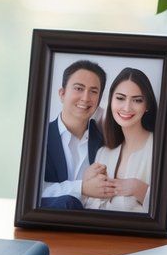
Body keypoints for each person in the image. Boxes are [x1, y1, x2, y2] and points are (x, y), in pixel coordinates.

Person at [40, 59, 114, 210]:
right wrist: (82, 188)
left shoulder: (106, 140)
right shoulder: (40, 137)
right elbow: (35, 191)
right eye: (79, 88)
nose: (86, 98)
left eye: (93, 91)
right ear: (62, 94)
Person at [84, 67, 157, 213]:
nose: (127, 107)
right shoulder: (103, 153)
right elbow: (88, 210)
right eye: (120, 98)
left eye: (137, 100)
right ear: (111, 100)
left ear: (147, 105)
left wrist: (139, 189)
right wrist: (86, 185)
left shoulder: (158, 151)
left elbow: (166, 213)